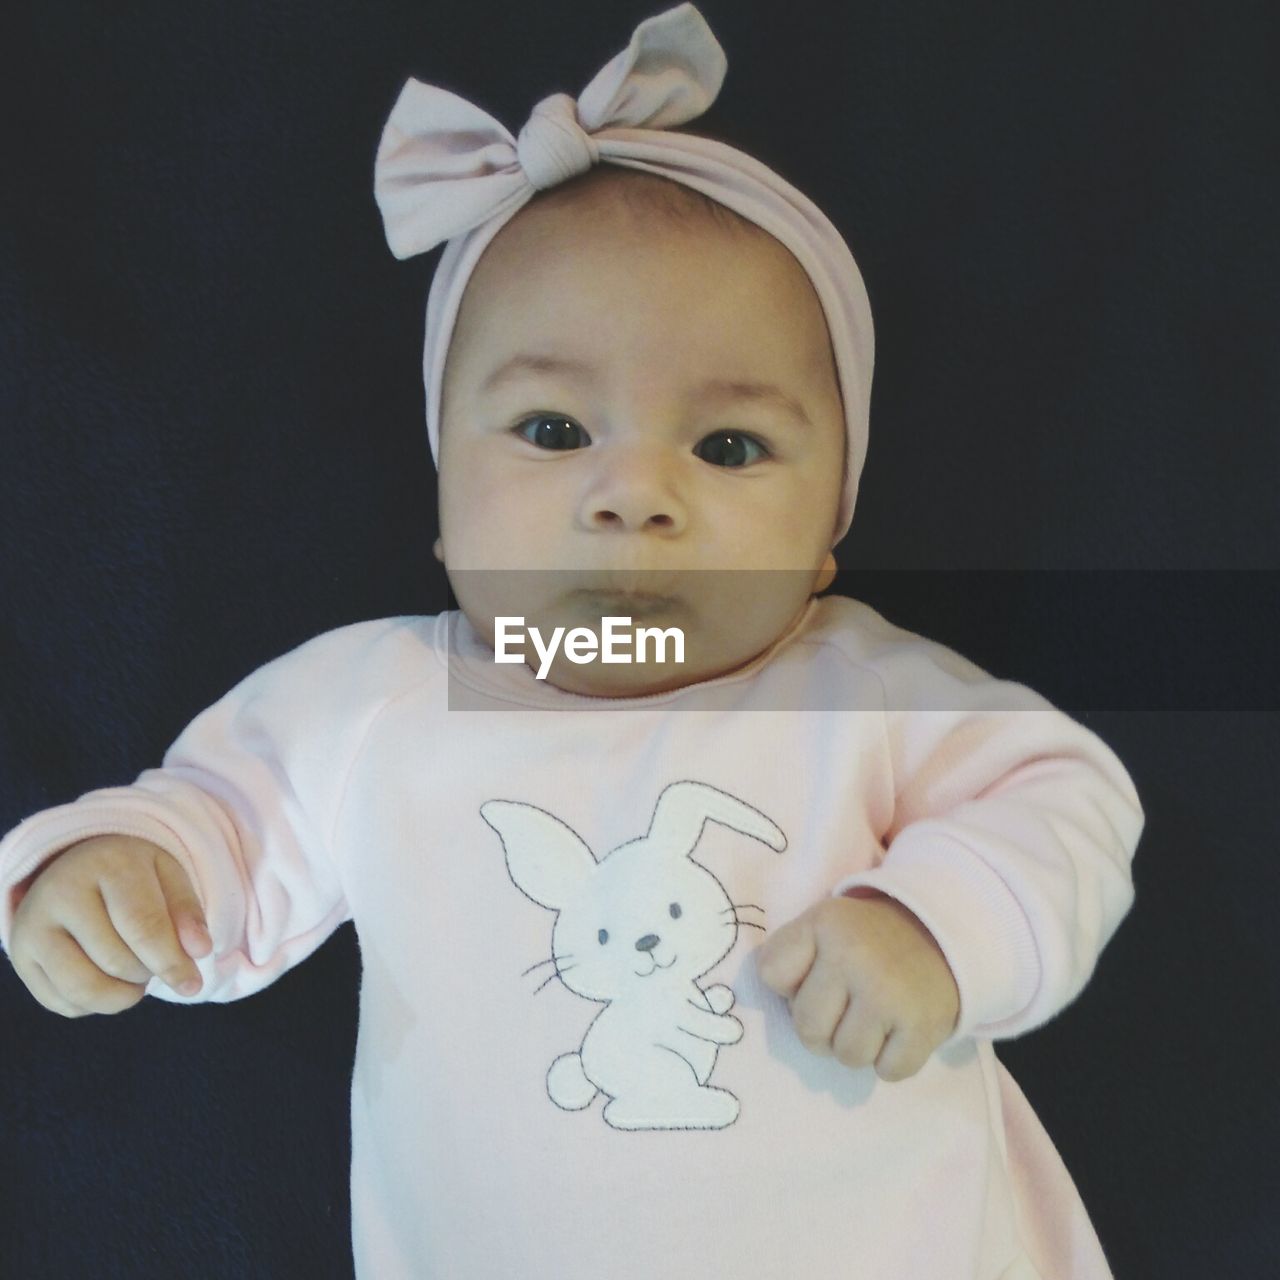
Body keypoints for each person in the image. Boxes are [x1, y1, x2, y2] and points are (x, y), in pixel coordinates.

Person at [0, 6, 1143, 1277]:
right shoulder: (381, 701)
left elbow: (1062, 796)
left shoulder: (857, 691)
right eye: (551, 431)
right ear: (439, 511)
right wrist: (117, 874)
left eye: (727, 447)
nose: (632, 497)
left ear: (827, 536)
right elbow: (217, 817)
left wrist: (938, 924)